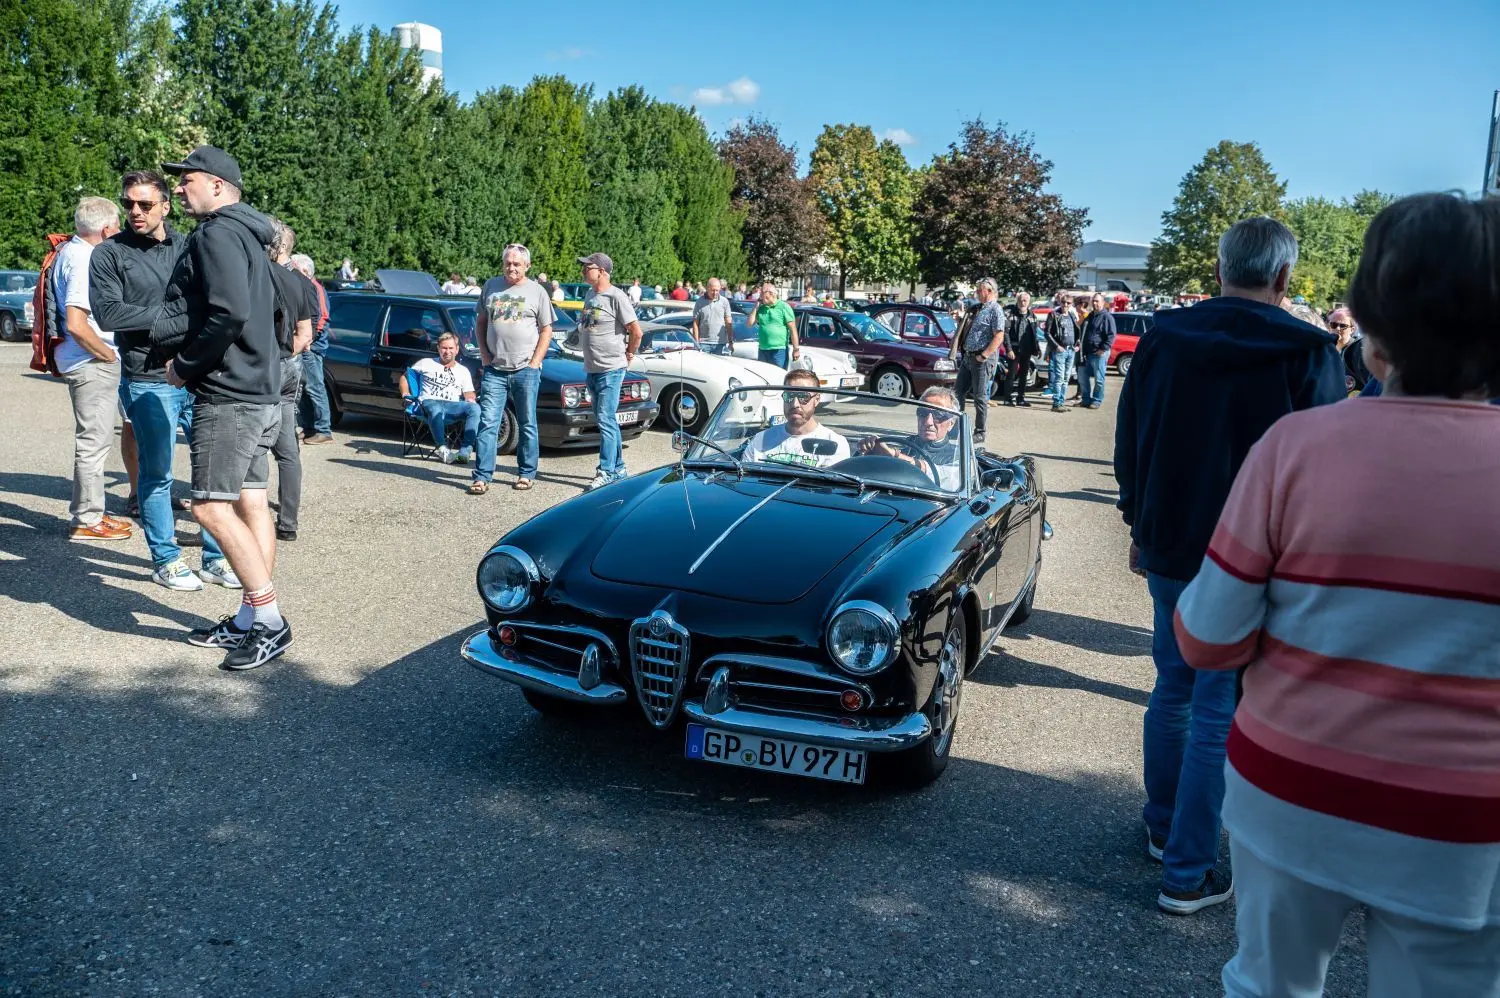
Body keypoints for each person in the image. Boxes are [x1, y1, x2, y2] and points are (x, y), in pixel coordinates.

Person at [1173, 193, 1500, 992]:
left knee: (1270, 983)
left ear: (1370, 330)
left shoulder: (1298, 448)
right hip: (1464, 822)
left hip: (1291, 787)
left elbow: (1206, 640)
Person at [1114, 214, 1344, 915]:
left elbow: (1131, 442)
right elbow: (1324, 472)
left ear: (1219, 270)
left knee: (1174, 688)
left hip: (1175, 541)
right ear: (1283, 277)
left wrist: (1136, 518)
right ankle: (1185, 866)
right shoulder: (1308, 351)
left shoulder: (1165, 341)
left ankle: (1165, 829)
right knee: (1217, 705)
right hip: (1258, 554)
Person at [156, 145, 290, 671]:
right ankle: (247, 620)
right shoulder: (251, 237)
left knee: (210, 507)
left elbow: (229, 312)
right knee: (251, 506)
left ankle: (271, 622)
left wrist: (184, 366)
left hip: (229, 394)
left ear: (216, 185)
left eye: (186, 179)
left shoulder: (215, 234)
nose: (180, 187)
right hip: (261, 392)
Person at [90, 169, 239, 586]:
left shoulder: (190, 245)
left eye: (145, 204)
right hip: (147, 376)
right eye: (129, 204)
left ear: (166, 206)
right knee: (157, 474)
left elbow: (214, 301)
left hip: (199, 373)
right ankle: (166, 558)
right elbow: (109, 314)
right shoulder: (110, 253)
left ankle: (214, 557)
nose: (135, 212)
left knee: (210, 475)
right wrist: (177, 318)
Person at [54, 197, 132, 542]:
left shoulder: (71, 252)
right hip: (90, 362)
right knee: (94, 443)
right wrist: (108, 356)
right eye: (116, 227)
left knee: (95, 440)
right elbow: (76, 323)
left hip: (83, 360)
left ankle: (92, 512)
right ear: (106, 229)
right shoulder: (85, 260)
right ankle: (86, 519)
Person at [470, 243, 554, 494]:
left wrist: (535, 362)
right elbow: (481, 323)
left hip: (525, 370)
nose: (511, 267)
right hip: (495, 369)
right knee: (488, 423)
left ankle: (526, 473)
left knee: (528, 423)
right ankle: (482, 476)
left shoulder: (537, 291)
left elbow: (547, 329)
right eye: (508, 263)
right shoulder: (491, 287)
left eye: (517, 264)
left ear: (527, 266)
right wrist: (485, 357)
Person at [265, 220, 315, 542]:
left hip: (268, 369)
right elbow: (307, 335)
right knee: (286, 450)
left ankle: (244, 520)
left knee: (250, 447)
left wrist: (270, 357)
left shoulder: (263, 276)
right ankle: (287, 523)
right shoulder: (303, 282)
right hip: (290, 366)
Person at [575, 252, 640, 490]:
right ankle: (619, 467)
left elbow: (636, 331)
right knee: (607, 420)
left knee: (605, 419)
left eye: (587, 267)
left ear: (602, 271)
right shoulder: (591, 295)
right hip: (593, 368)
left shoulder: (616, 296)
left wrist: (629, 353)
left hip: (611, 369)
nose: (583, 271)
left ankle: (606, 471)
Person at [857, 386, 964, 489]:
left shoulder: (960, 456)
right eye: (923, 413)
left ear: (951, 423)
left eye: (938, 415)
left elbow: (945, 478)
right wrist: (869, 453)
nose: (928, 422)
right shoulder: (900, 445)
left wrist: (894, 455)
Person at [742, 369, 849, 468]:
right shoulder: (761, 439)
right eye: (789, 396)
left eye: (803, 397)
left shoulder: (835, 443)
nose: (795, 404)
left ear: (817, 399)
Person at [400, 332, 479, 465]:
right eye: (444, 348)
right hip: (429, 403)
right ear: (438, 348)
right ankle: (442, 448)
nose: (447, 352)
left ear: (457, 349)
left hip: (452, 406)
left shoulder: (463, 370)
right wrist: (405, 394)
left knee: (475, 408)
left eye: (450, 348)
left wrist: (470, 399)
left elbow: (469, 393)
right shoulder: (426, 363)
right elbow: (405, 377)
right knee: (435, 408)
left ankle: (465, 451)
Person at [952, 278, 1005, 445]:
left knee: (980, 397)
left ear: (989, 291)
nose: (977, 293)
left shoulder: (995, 310)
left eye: (979, 290)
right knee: (957, 392)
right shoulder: (978, 309)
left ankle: (980, 432)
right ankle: (956, 427)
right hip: (968, 357)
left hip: (981, 360)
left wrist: (983, 355)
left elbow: (999, 336)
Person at [290, 253, 332, 445]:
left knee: (315, 387)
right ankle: (308, 427)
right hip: (306, 344)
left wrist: (308, 341)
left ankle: (324, 429)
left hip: (311, 347)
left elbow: (321, 318)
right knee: (305, 388)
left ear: (305, 271)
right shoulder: (306, 287)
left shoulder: (315, 288)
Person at [1077, 292, 1116, 409]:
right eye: (1093, 301)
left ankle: (1097, 400)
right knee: (1082, 378)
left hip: (1099, 353)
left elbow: (1111, 335)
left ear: (1103, 303)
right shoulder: (1090, 316)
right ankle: (1085, 399)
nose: (1094, 303)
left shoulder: (1107, 317)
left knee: (1099, 380)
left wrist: (1103, 349)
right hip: (1087, 353)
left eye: (1097, 301)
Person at [1003, 292, 1041, 407]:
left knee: (1024, 375)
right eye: (1020, 300)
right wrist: (1009, 349)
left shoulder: (1032, 316)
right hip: (1014, 349)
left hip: (1027, 349)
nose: (1022, 302)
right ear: (1017, 301)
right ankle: (1007, 399)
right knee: (1011, 374)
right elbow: (1005, 334)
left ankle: (1021, 398)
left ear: (1029, 302)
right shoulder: (1010, 314)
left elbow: (1035, 334)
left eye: (1025, 300)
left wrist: (1037, 348)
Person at [748, 282, 799, 368]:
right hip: (763, 350)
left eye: (762, 293)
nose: (760, 296)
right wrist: (756, 306)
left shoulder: (784, 307)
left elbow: (793, 329)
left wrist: (796, 349)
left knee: (778, 377)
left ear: (771, 294)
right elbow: (749, 324)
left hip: (779, 351)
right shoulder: (761, 308)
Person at [1043, 292, 1077, 412]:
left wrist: (1077, 344)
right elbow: (1047, 333)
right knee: (1059, 378)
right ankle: (1056, 403)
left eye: (1068, 303)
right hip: (1060, 351)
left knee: (1066, 378)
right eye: (1063, 302)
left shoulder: (1072, 315)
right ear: (1059, 302)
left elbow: (1076, 331)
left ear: (1071, 304)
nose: (1065, 305)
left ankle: (1061, 402)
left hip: (1070, 350)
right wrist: (1056, 346)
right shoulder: (1054, 315)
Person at [691, 277, 734, 352]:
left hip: (720, 344)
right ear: (708, 288)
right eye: (712, 290)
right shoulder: (700, 302)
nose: (715, 293)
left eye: (717, 290)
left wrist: (730, 341)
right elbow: (695, 323)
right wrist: (696, 343)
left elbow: (728, 323)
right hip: (703, 343)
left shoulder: (724, 302)